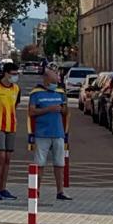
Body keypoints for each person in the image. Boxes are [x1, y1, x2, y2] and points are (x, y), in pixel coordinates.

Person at [28, 66, 72, 202]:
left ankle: (60, 191)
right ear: (46, 80)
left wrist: (64, 108)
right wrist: (49, 109)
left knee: (59, 163)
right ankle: (37, 190)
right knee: (39, 164)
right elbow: (32, 112)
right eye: (53, 81)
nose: (55, 84)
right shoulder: (36, 93)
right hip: (42, 134)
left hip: (58, 132)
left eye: (57, 81)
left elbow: (65, 112)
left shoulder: (60, 92)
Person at [0, 68, 21, 200]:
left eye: (16, 74)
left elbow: (15, 106)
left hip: (11, 126)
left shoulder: (16, 89)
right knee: (0, 156)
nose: (15, 76)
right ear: (6, 74)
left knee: (7, 158)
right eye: (13, 74)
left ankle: (3, 188)